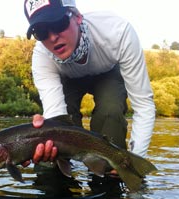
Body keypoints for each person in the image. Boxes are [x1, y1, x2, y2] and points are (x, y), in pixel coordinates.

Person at [22, 0, 155, 174]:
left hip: (108, 71)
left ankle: (110, 177)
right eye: (41, 32)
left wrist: (135, 158)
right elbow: (57, 118)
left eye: (58, 23)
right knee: (52, 142)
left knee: (110, 111)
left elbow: (144, 105)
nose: (53, 37)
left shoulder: (118, 32)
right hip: (67, 79)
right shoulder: (42, 56)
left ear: (77, 17)